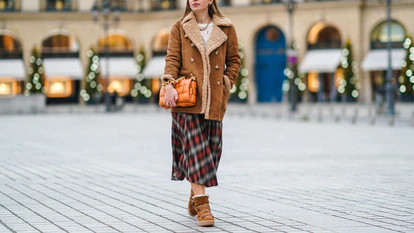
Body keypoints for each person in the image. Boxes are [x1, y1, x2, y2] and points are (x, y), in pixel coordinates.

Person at [161, 0, 241, 227]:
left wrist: (227, 81)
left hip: (214, 100)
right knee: (196, 152)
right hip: (187, 101)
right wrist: (168, 84)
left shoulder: (226, 27)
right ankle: (203, 206)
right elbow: (172, 59)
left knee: (211, 154)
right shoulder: (180, 26)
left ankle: (194, 193)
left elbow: (234, 60)